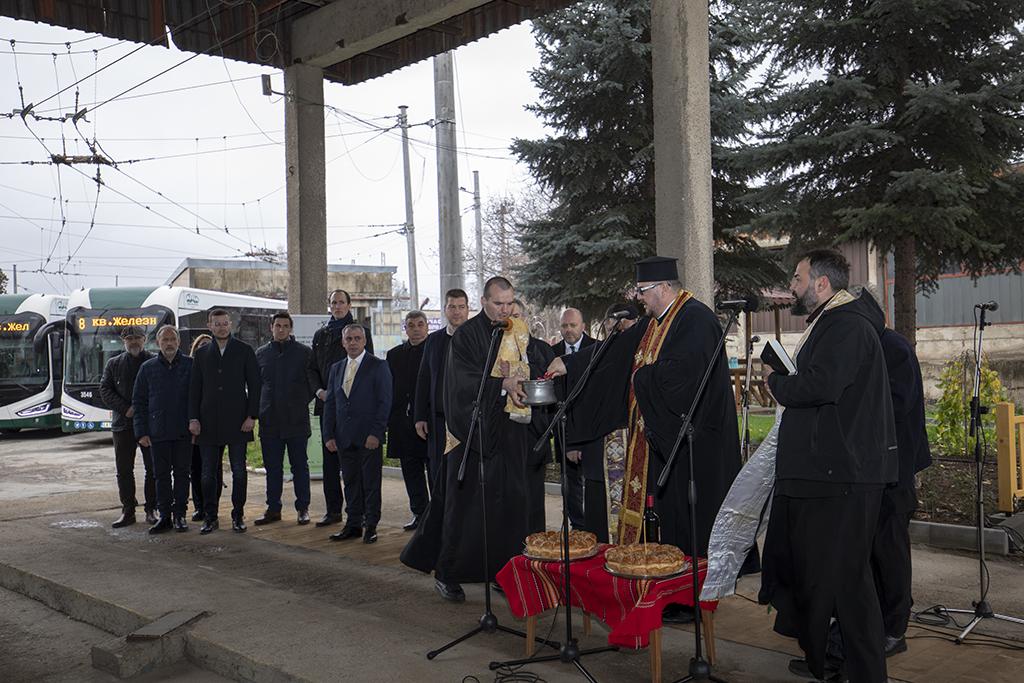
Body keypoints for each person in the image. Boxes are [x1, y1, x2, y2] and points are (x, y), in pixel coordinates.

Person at [546, 257, 746, 623]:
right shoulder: (659, 321)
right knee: (672, 522)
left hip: (694, 444)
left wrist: (640, 379)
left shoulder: (695, 319)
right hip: (670, 444)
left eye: (642, 292)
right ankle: (675, 592)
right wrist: (570, 365)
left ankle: (693, 600)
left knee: (692, 522)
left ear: (663, 288)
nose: (639, 299)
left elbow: (682, 378)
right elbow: (619, 352)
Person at [759, 249, 897, 683]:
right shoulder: (834, 323)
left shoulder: (848, 325)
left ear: (821, 284)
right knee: (834, 582)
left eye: (798, 279)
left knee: (848, 585)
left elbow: (821, 384)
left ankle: (866, 673)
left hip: (845, 478)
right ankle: (840, 664)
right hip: (832, 474)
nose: (793, 288)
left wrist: (777, 382)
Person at [402, 277, 550, 602]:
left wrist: (545, 365)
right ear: (484, 302)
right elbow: (462, 382)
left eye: (510, 303)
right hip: (472, 434)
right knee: (465, 509)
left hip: (511, 434)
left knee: (511, 508)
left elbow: (536, 358)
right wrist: (502, 384)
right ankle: (448, 572)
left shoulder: (520, 329)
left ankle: (505, 572)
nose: (506, 309)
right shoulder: (467, 336)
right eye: (499, 304)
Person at [826, 286, 932, 663]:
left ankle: (893, 628)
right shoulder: (869, 345)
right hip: (867, 468)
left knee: (890, 551)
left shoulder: (894, 348)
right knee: (866, 552)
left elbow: (895, 406)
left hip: (895, 469)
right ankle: (867, 624)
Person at [189, 308, 261, 535]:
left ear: (231, 325)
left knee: (239, 471)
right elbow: (194, 389)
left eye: (225, 323)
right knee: (208, 473)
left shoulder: (244, 350)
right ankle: (210, 517)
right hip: (207, 422)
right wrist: (193, 418)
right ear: (209, 326)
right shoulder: (201, 354)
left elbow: (256, 385)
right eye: (216, 324)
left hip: (238, 420)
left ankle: (238, 515)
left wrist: (252, 416)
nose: (221, 327)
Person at [307, 289, 374, 528]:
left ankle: (361, 512)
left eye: (341, 302)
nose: (337, 306)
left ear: (349, 305)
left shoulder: (360, 332)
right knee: (330, 462)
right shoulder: (320, 334)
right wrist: (319, 391)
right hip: (328, 407)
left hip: (354, 409)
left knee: (356, 464)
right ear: (329, 305)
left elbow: (369, 367)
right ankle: (333, 511)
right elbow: (312, 369)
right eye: (333, 302)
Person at [323, 324, 392, 544]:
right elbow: (331, 404)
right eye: (349, 339)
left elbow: (385, 402)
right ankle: (353, 524)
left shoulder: (378, 366)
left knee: (371, 483)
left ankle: (370, 525)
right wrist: (328, 435)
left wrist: (376, 433)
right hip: (344, 437)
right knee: (350, 481)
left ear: (364, 341)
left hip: (368, 437)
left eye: (357, 338)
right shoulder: (336, 368)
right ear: (343, 342)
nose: (353, 342)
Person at [254, 312, 315, 526]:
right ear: (271, 327)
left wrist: (297, 402)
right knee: (273, 468)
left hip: (296, 419)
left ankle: (303, 508)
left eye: (285, 326)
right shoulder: (260, 354)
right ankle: (273, 508)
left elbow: (311, 384)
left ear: (291, 329)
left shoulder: (304, 353)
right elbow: (256, 387)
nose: (281, 329)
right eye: (277, 325)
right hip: (269, 420)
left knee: (300, 466)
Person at [133, 326, 193, 534]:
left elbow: (198, 398)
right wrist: (141, 432)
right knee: (161, 476)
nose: (169, 343)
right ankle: (165, 516)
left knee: (183, 475)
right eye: (165, 340)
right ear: (158, 343)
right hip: (157, 433)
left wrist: (196, 424)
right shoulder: (147, 368)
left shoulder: (190, 365)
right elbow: (139, 402)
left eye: (172, 339)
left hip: (184, 432)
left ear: (178, 342)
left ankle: (180, 516)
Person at [100, 326, 156, 528]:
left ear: (145, 339)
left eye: (138, 338)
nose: (134, 342)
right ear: (123, 341)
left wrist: (143, 410)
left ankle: (152, 509)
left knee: (154, 469)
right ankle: (128, 511)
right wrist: (125, 409)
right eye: (130, 338)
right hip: (123, 425)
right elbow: (105, 390)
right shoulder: (113, 364)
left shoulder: (153, 361)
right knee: (124, 470)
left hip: (150, 425)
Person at [412, 289, 469, 486]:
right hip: (437, 422)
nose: (456, 312)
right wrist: (419, 416)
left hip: (468, 422)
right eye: (452, 307)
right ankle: (440, 516)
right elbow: (423, 379)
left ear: (468, 310)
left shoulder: (479, 340)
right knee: (438, 474)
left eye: (461, 307)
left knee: (465, 474)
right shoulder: (434, 341)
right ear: (445, 310)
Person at [549, 308, 595, 531]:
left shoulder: (596, 349)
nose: (568, 330)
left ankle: (596, 528)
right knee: (569, 483)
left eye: (573, 325)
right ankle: (578, 528)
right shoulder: (552, 352)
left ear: (583, 326)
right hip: (563, 430)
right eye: (564, 326)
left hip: (591, 430)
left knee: (594, 483)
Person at [386, 310, 430, 531]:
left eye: (420, 324)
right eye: (411, 325)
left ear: (427, 327)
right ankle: (419, 513)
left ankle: (435, 517)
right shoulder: (394, 355)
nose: (416, 328)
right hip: (402, 424)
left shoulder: (436, 351)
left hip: (429, 424)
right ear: (405, 328)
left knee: (434, 473)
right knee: (411, 474)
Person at [187, 334, 218, 521]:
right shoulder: (190, 368)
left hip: (215, 427)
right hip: (195, 427)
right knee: (196, 468)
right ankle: (199, 506)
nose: (205, 348)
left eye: (208, 345)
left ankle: (212, 505)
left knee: (213, 469)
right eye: (201, 345)